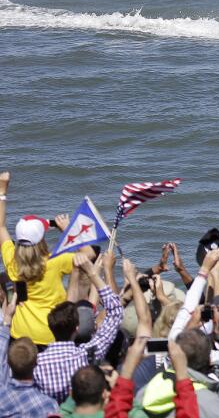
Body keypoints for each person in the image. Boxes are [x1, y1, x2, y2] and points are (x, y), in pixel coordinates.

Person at [34, 253, 124, 403]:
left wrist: (75, 273)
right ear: (76, 328)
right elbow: (116, 311)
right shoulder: (87, 355)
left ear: (50, 327)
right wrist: (94, 274)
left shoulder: (37, 362)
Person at [0, 171, 76, 346]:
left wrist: (2, 190)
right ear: (41, 239)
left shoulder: (12, 261)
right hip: (51, 334)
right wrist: (68, 230)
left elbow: (1, 226)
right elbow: (88, 255)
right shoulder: (56, 262)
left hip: (20, 333)